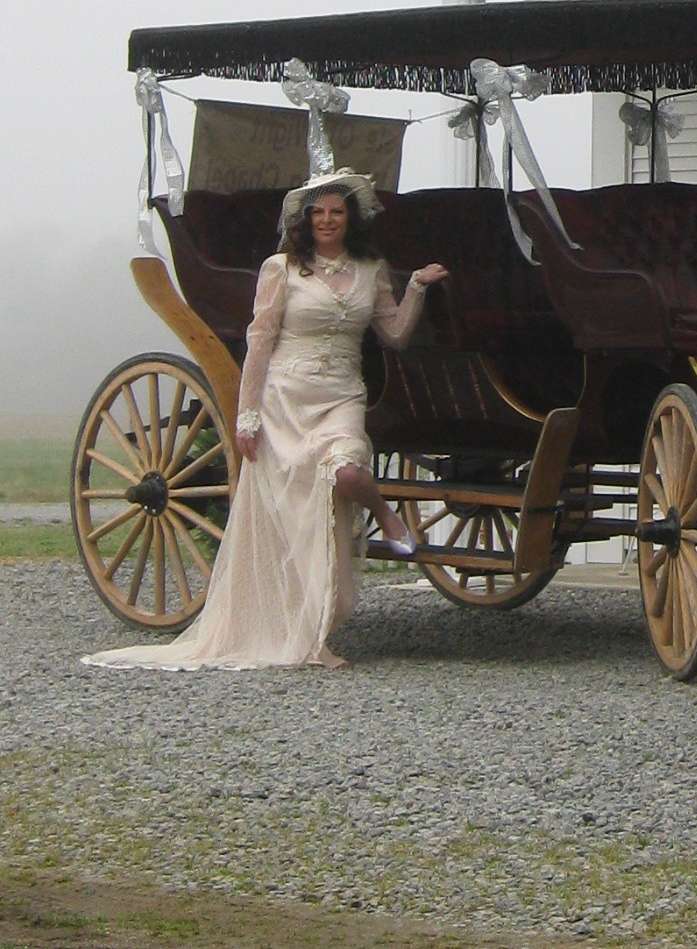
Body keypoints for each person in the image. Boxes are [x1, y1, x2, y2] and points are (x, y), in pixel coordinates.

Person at [84, 169, 448, 672]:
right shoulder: (281, 269)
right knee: (300, 512)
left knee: (347, 472)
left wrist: (418, 290)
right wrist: (247, 413)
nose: (326, 220)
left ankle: (386, 518)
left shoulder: (370, 270)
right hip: (286, 395)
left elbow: (395, 335)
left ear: (350, 219)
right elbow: (259, 343)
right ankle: (310, 633)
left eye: (336, 212)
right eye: (318, 212)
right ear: (306, 220)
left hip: (341, 394)